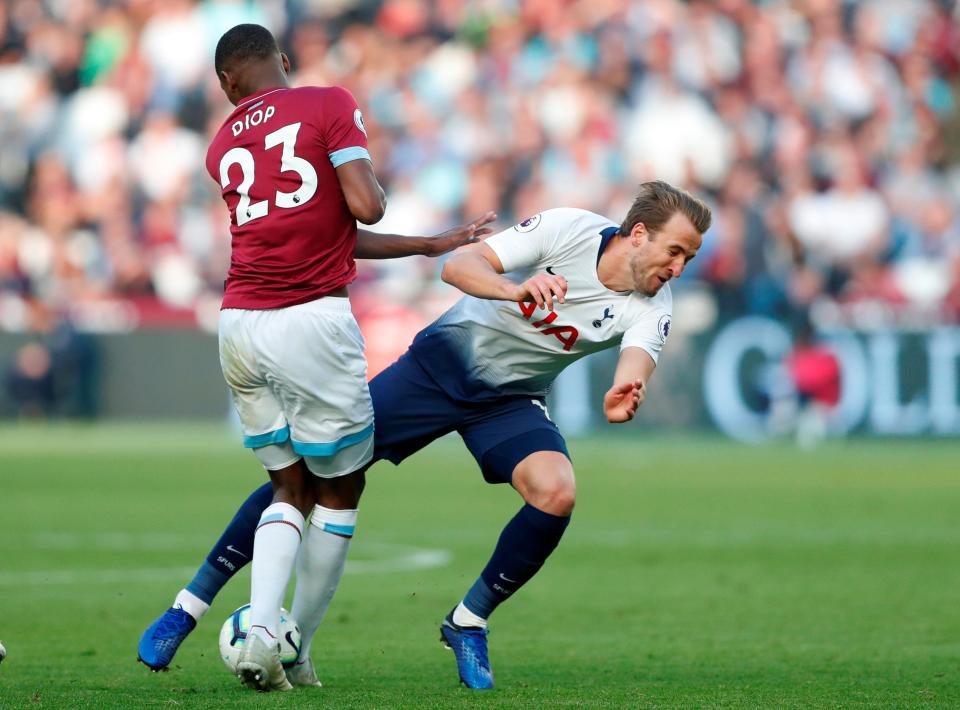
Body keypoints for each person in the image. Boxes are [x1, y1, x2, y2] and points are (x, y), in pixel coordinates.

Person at [139, 180, 710, 689]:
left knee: (556, 491)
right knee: (312, 479)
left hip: (507, 402)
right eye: (675, 251)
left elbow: (636, 363)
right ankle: (187, 608)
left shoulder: (653, 306)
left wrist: (625, 392)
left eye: (689, 257)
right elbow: (458, 267)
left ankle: (468, 622)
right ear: (638, 234)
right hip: (437, 369)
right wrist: (515, 291)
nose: (678, 267)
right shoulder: (569, 229)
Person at [175, 23, 492, 693]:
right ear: (282, 62)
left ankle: (262, 627)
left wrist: (425, 246)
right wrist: (383, 197)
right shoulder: (326, 102)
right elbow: (363, 205)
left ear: (228, 83)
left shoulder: (223, 143)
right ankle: (293, 648)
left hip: (239, 322)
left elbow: (319, 231)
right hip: (310, 320)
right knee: (341, 489)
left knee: (287, 485)